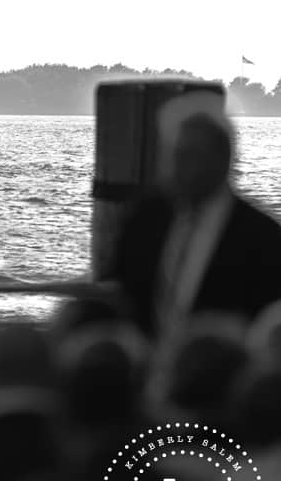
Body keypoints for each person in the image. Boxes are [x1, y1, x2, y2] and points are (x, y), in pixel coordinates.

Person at [113, 90, 281, 334]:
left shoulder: (262, 237)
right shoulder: (144, 219)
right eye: (172, 156)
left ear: (223, 160)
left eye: (189, 156)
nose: (175, 168)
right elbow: (121, 290)